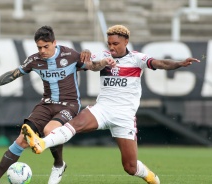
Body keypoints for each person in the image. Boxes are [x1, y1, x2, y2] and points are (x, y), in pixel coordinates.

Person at [22, 24, 201, 184]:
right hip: (103, 109)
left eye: (115, 44)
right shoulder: (104, 56)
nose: (111, 47)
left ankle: (152, 178)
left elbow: (160, 63)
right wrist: (85, 53)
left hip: (124, 116)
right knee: (75, 123)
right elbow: (89, 63)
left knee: (130, 167)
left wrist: (179, 64)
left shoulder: (137, 59)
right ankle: (42, 144)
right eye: (109, 43)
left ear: (126, 41)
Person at [0, 25, 115, 184]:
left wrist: (103, 62)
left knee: (49, 130)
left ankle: (59, 165)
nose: (42, 50)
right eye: (39, 47)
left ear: (54, 43)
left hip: (69, 105)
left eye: (46, 46)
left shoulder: (70, 54)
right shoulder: (34, 60)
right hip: (46, 104)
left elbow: (93, 66)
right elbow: (13, 74)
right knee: (22, 140)